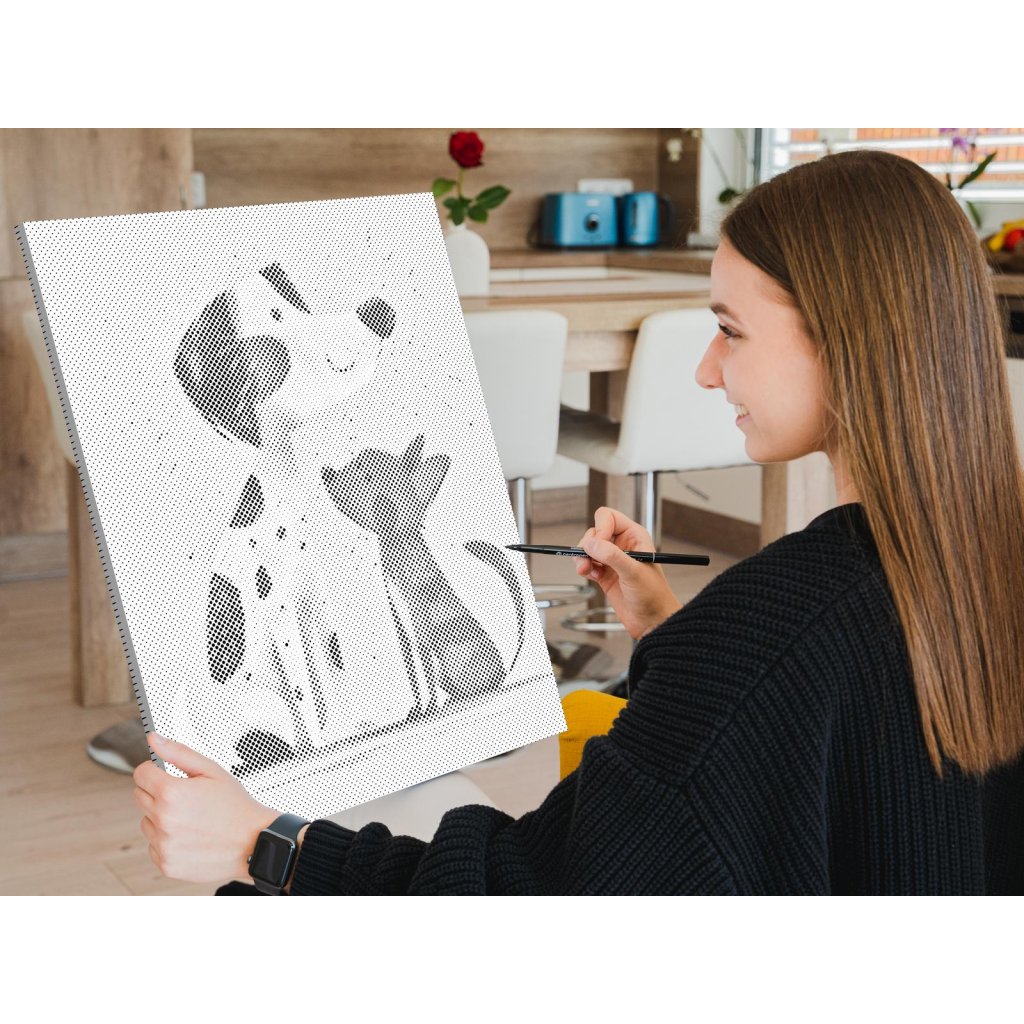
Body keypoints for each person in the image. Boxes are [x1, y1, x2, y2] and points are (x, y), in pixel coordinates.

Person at [133, 150, 1024, 894]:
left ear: (844, 335)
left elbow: (533, 894)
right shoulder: (986, 566)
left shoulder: (774, 635)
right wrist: (677, 638)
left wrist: (268, 847)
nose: (707, 371)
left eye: (730, 329)